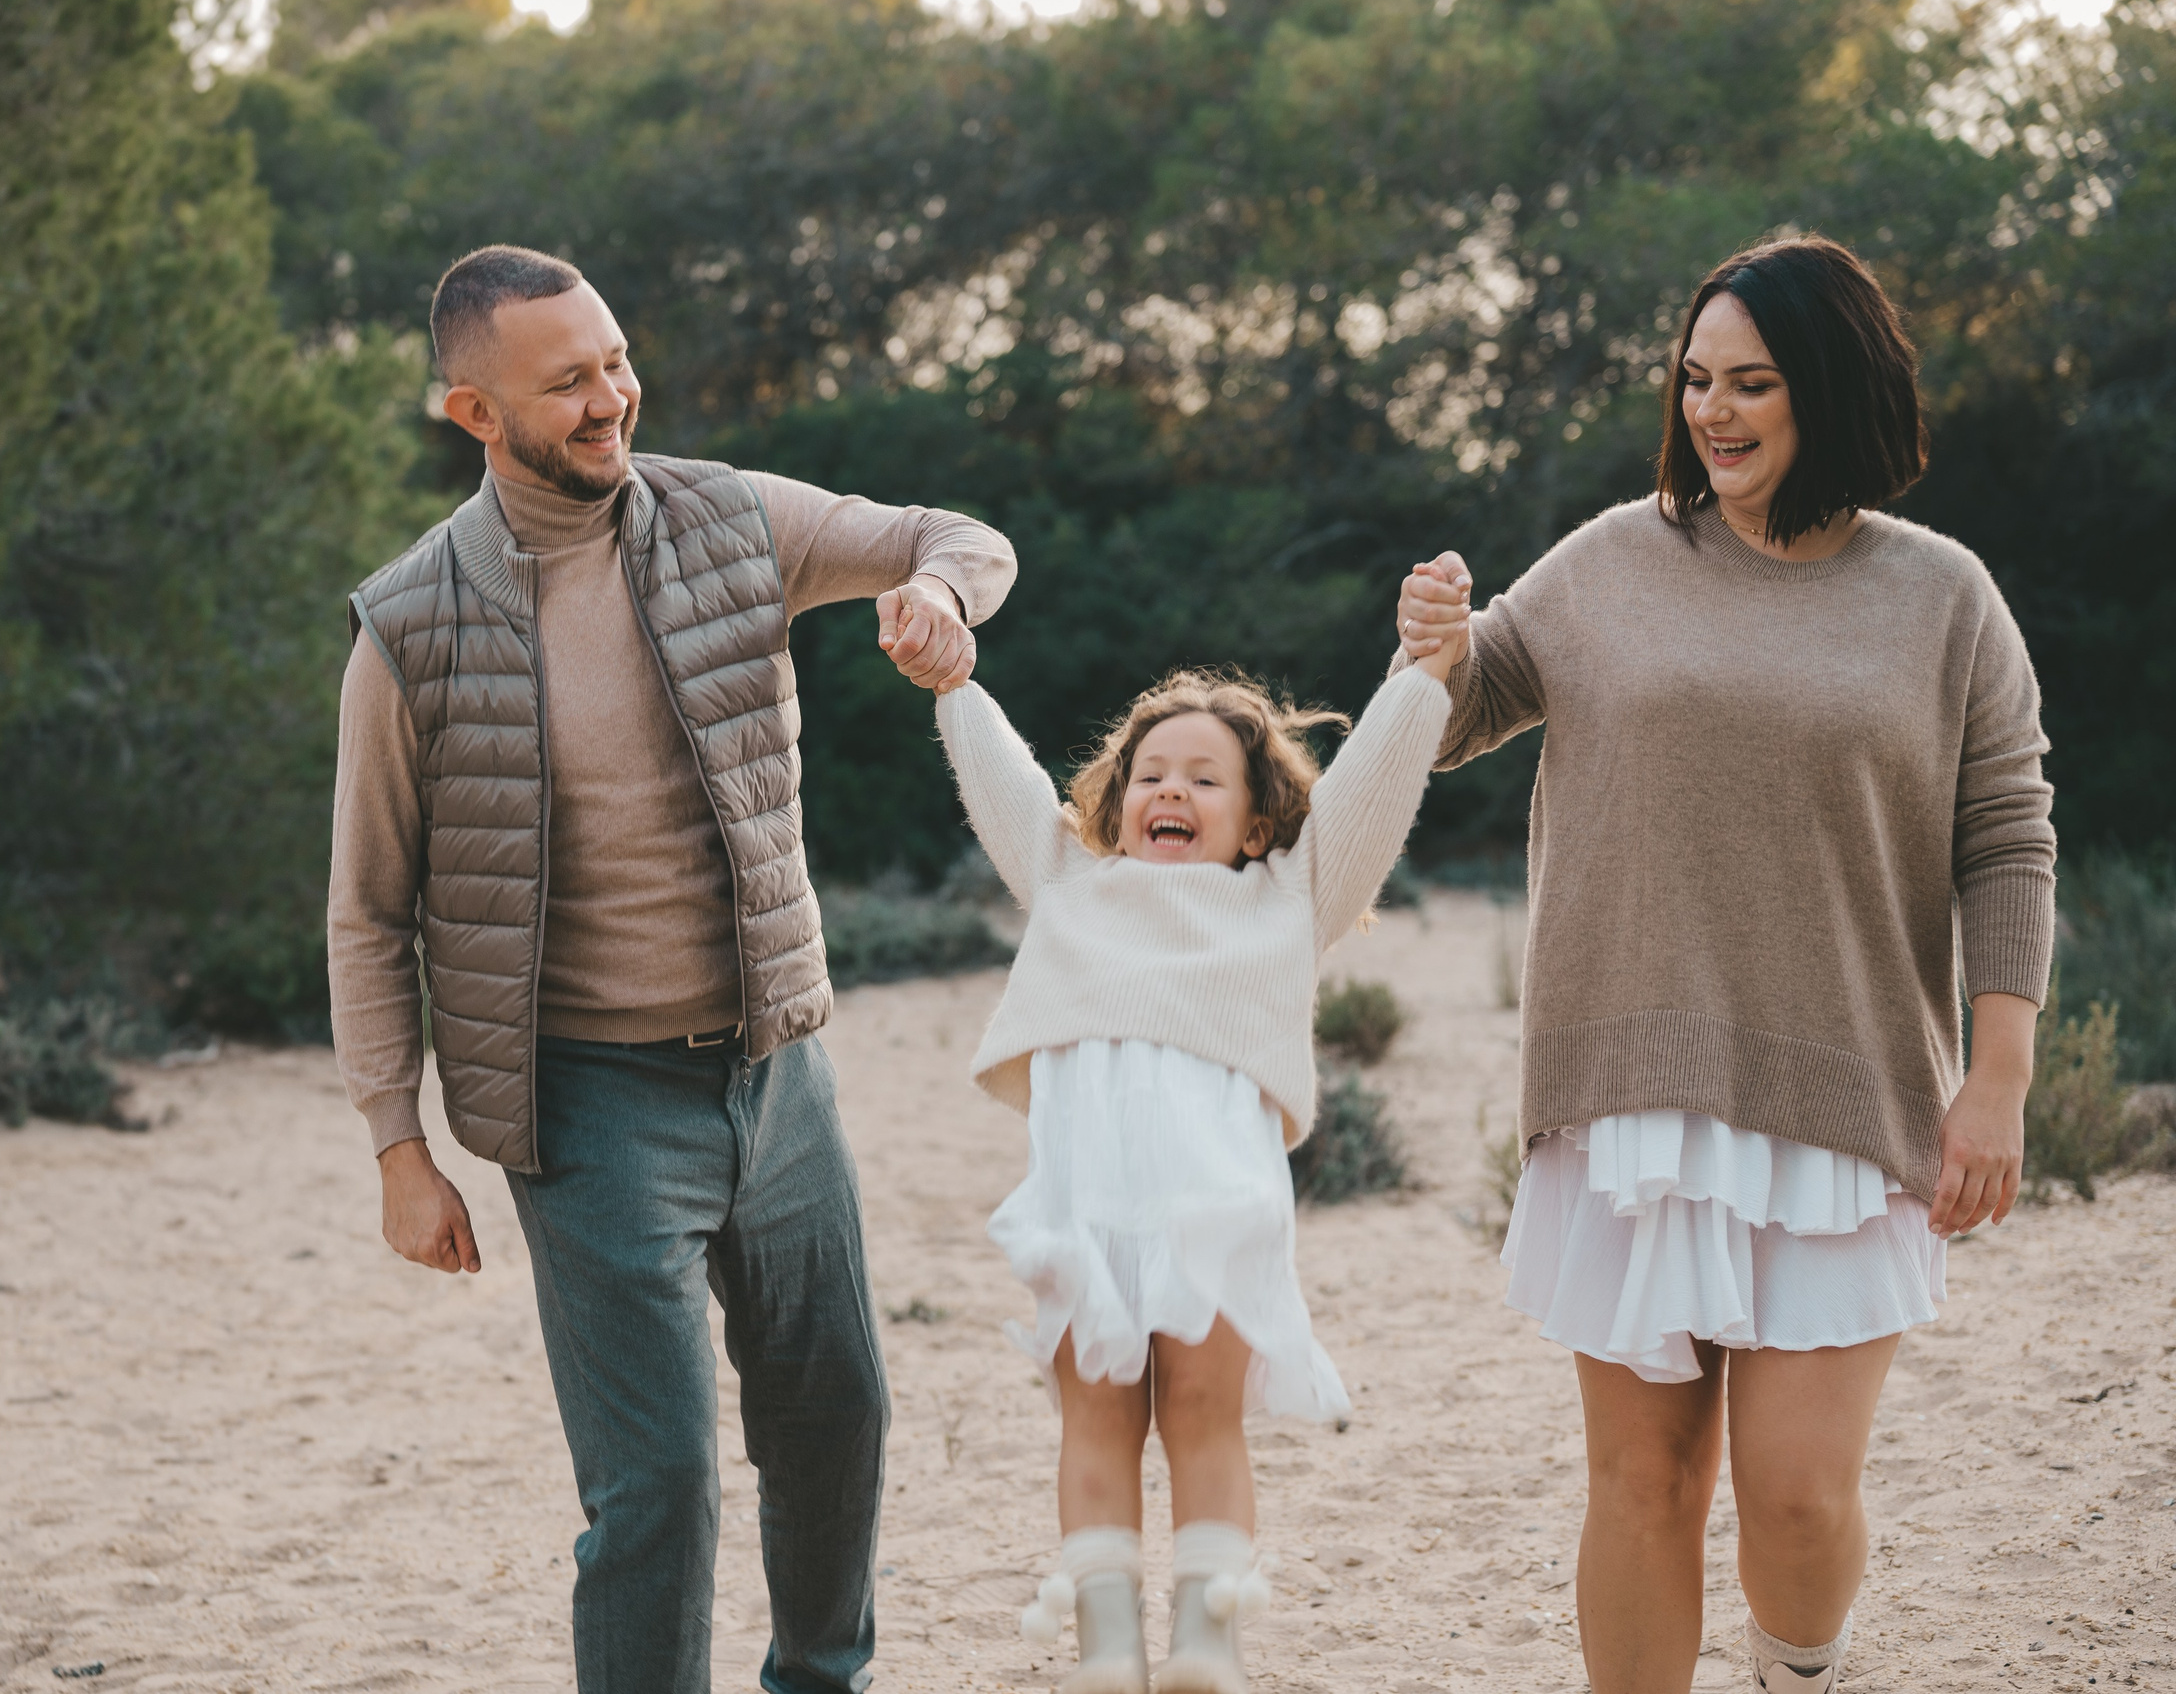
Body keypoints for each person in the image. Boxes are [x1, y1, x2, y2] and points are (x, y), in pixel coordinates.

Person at [328, 245, 1017, 1694]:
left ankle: (820, 1679)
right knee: (658, 1488)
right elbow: (367, 910)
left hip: (779, 1072)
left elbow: (959, 533)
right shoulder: (410, 627)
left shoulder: (735, 520)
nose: (610, 397)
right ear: (474, 412)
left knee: (836, 1416)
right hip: (584, 1106)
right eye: (565, 381)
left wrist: (945, 598)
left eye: (616, 360)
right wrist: (399, 1144)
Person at [1392, 235, 2053, 1694]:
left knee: (1802, 1496)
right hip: (1631, 1084)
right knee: (1642, 1484)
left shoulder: (1942, 596)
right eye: (1695, 379)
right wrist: (1430, 653)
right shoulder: (1613, 560)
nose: (1715, 411)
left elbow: (2008, 833)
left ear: (1832, 387)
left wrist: (1997, 1076)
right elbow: (1458, 714)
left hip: (1847, 1089)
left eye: (1753, 381)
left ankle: (1795, 1670)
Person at [928, 636, 1458, 1694]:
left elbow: (1369, 790)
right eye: (1150, 775)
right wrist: (954, 682)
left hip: (1215, 1210)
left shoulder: (1282, 902)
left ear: (1256, 821)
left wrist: (1423, 671)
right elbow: (1004, 782)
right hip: (1083, 1210)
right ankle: (1109, 1650)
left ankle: (1206, 1641)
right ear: (1116, 803)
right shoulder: (1070, 883)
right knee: (1094, 1418)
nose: (1170, 788)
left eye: (1204, 778)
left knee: (1202, 1414)